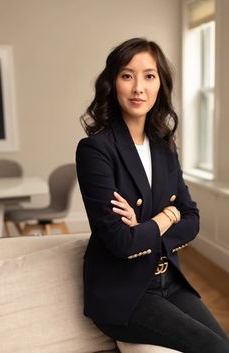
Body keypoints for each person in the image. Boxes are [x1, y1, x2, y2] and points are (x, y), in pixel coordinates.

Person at [76, 38, 229, 353]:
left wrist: (143, 228)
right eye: (127, 75)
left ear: (161, 85)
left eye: (149, 76)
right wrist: (166, 216)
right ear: (113, 82)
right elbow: (121, 242)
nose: (138, 88)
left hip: (169, 281)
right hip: (123, 293)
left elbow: (192, 218)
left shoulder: (164, 146)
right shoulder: (95, 150)